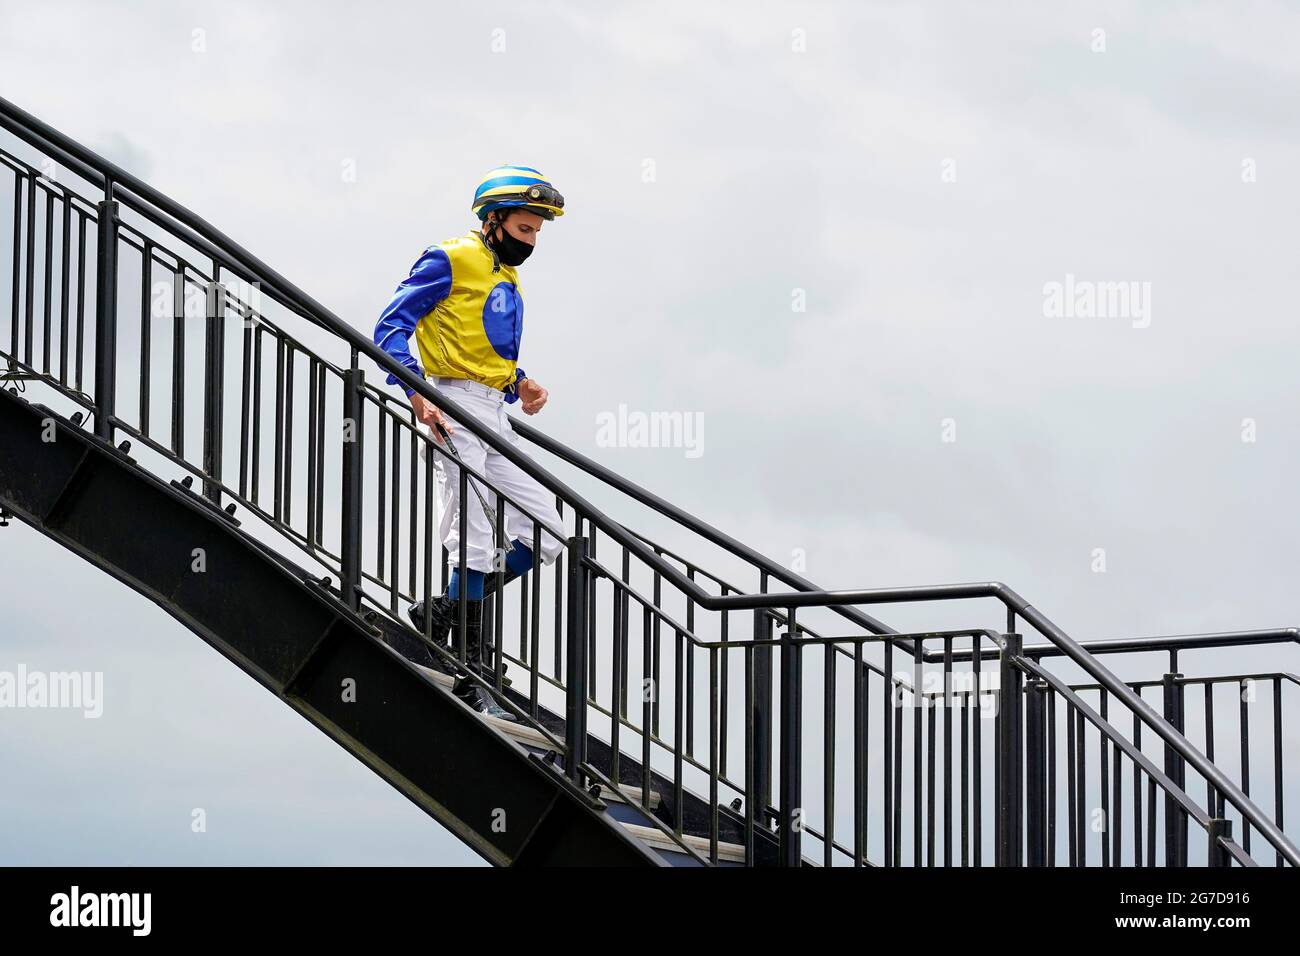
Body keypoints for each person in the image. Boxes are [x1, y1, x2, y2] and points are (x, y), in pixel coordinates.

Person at [373, 165, 568, 719]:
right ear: (493, 220)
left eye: (536, 232)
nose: (531, 241)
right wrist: (416, 393)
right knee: (474, 528)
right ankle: (469, 649)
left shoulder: (507, 275)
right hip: (450, 405)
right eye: (525, 229)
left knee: (549, 529)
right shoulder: (449, 256)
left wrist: (519, 381)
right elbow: (390, 326)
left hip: (491, 409)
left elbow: (482, 348)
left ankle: (448, 611)